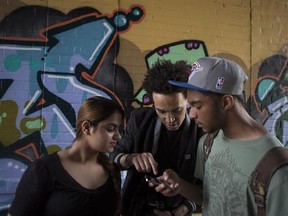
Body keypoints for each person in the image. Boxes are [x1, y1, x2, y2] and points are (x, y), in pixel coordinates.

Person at [152, 57, 288, 216]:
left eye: (198, 106)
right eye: (190, 106)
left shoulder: (277, 168)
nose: (191, 114)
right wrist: (180, 185)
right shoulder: (208, 143)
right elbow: (208, 198)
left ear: (226, 102)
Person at [110, 60, 203, 216]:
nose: (170, 119)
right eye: (162, 111)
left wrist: (180, 211)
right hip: (135, 209)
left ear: (187, 99)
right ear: (153, 104)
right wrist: (131, 158)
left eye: (177, 110)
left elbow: (206, 189)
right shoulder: (139, 120)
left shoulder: (201, 130)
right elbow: (114, 157)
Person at [8, 96, 124, 216]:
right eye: (110, 128)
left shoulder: (112, 170)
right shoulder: (43, 169)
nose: (118, 136)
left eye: (118, 129)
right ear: (86, 128)